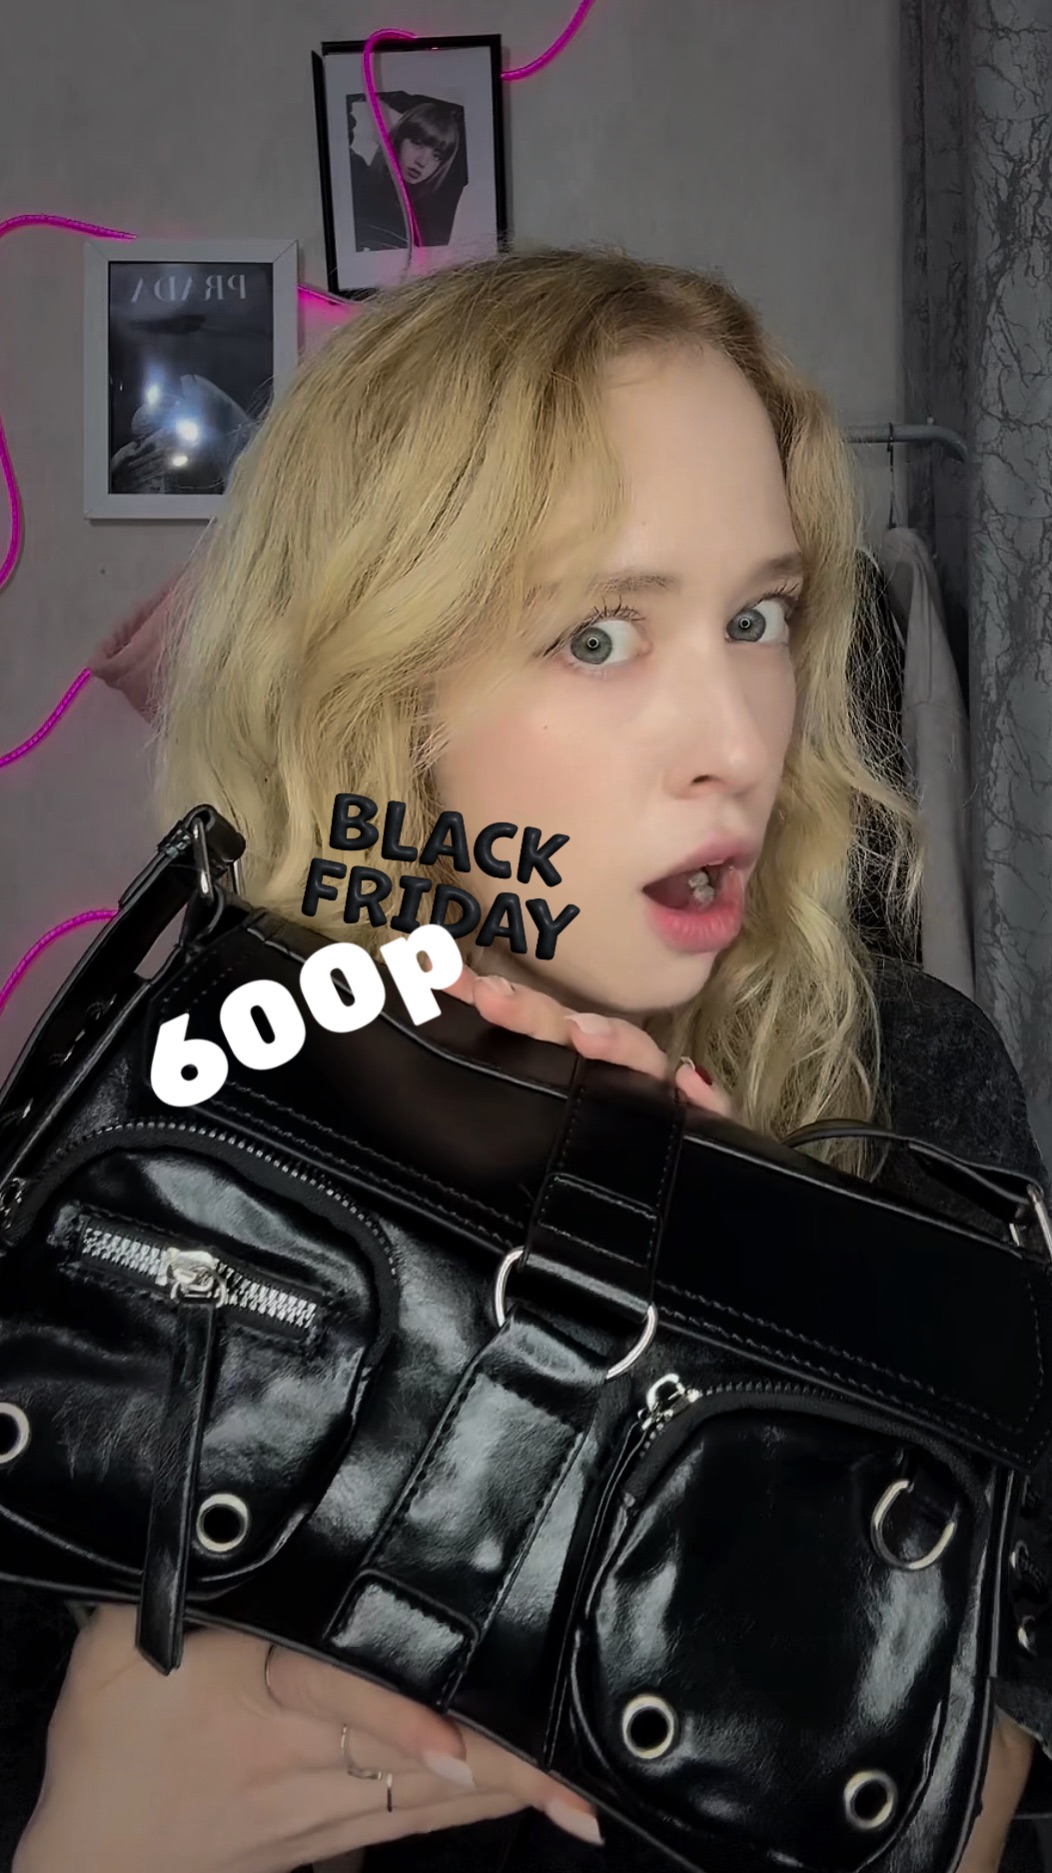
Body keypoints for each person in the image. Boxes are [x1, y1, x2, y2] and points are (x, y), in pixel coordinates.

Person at [5, 247, 1051, 1873]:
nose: (737, 742)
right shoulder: (174, 1126)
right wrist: (96, 1842)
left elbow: (947, 1792)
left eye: (758, 617)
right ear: (385, 686)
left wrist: (739, 1245)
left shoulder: (907, 1081)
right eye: (599, 637)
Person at [349, 98, 467, 251]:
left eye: (437, 156)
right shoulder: (356, 179)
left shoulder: (430, 220)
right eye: (417, 143)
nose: (422, 162)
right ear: (399, 140)